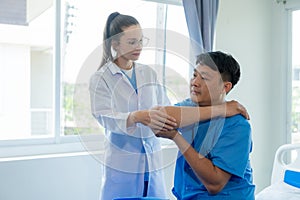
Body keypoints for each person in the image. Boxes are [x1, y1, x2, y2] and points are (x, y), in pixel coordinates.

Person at [89, 12, 250, 200]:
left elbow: (166, 115)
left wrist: (171, 129)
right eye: (132, 42)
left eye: (141, 41)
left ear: (225, 86)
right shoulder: (101, 78)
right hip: (124, 158)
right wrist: (135, 117)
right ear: (115, 44)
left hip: (154, 157)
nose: (139, 47)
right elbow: (106, 116)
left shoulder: (147, 73)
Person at [153, 51, 255, 200]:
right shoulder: (191, 106)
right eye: (194, 75)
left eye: (205, 78)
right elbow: (156, 116)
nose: (195, 82)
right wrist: (219, 109)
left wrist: (176, 137)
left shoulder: (237, 126)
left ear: (225, 87)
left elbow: (215, 184)